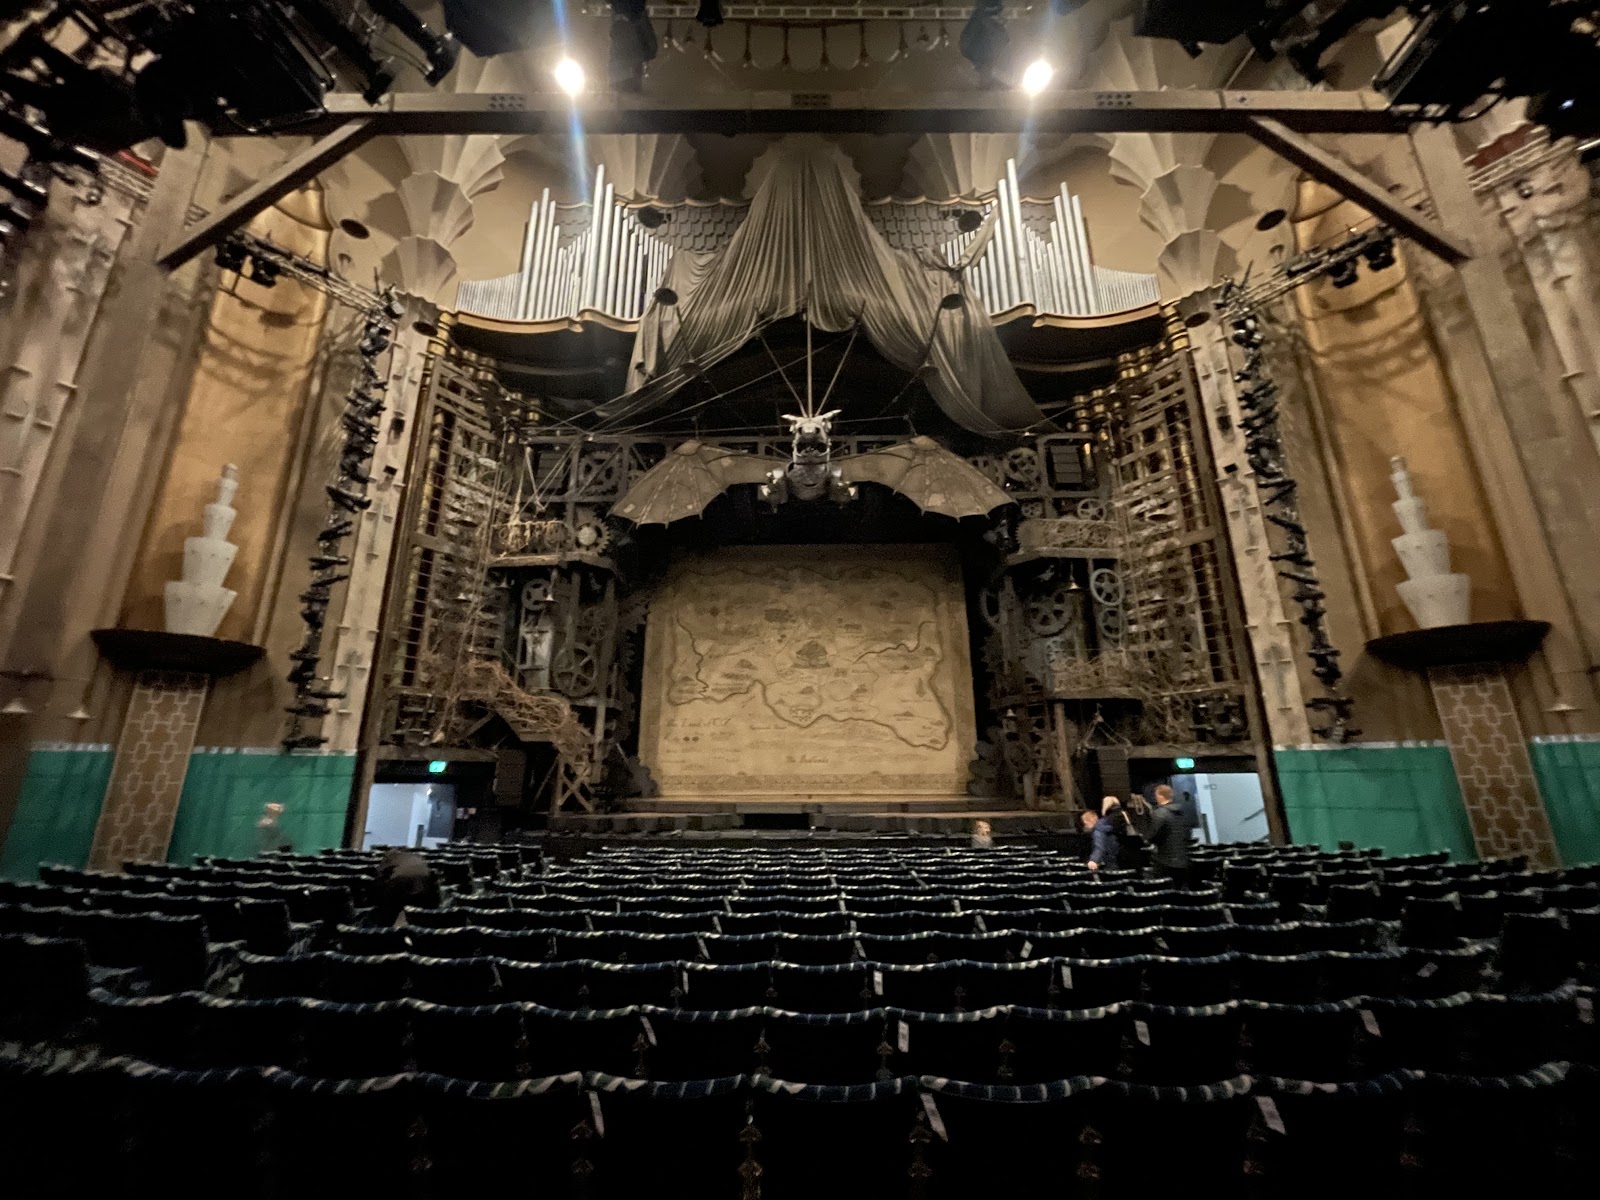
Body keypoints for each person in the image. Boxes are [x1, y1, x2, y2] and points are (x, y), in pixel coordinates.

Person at [372, 847, 442, 927]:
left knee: (388, 912)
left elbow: (380, 873)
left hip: (399, 885)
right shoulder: (418, 858)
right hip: (425, 886)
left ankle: (385, 929)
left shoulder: (391, 856)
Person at [1147, 786, 1194, 885]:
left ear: (1160, 796)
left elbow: (1152, 836)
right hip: (1184, 860)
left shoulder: (1159, 814)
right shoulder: (1183, 812)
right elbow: (1188, 834)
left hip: (1165, 861)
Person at [1086, 796, 1128, 870]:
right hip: (1128, 861)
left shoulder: (1101, 825)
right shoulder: (1126, 822)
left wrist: (1094, 860)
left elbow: (1099, 845)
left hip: (1109, 862)